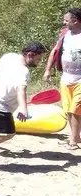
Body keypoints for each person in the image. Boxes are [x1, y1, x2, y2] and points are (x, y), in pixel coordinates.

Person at [43, 8, 81, 149]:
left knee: (76, 109)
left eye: (66, 20)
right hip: (66, 77)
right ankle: (75, 136)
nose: (63, 22)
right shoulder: (65, 35)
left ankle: (73, 140)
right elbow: (54, 52)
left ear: (75, 21)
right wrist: (48, 70)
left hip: (80, 79)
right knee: (68, 109)